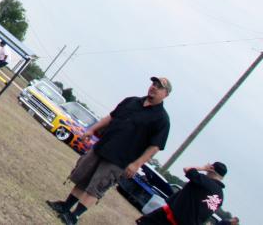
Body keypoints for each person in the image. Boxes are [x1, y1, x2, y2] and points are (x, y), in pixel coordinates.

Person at [46, 77, 172, 224]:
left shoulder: (162, 119)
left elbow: (155, 146)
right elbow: (111, 117)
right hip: (102, 146)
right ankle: (65, 207)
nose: (154, 87)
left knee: (96, 187)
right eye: (154, 84)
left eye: (159, 87)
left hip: (119, 160)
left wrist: (136, 164)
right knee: (83, 177)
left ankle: (74, 216)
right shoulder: (131, 101)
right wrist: (92, 129)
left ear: (166, 94)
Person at [136, 162, 226, 225]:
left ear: (211, 169)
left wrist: (203, 168)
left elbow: (187, 169)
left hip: (171, 218)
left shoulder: (205, 181)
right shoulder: (220, 196)